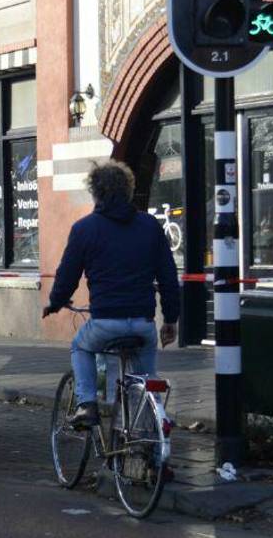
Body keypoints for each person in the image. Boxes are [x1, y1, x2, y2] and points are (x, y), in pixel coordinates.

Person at [44, 161, 180, 428]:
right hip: (143, 323)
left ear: (95, 193)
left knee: (80, 346)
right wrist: (171, 319)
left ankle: (86, 404)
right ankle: (150, 435)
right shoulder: (150, 225)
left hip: (105, 323)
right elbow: (168, 277)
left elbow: (67, 275)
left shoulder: (84, 229)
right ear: (129, 190)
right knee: (146, 379)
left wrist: (56, 302)